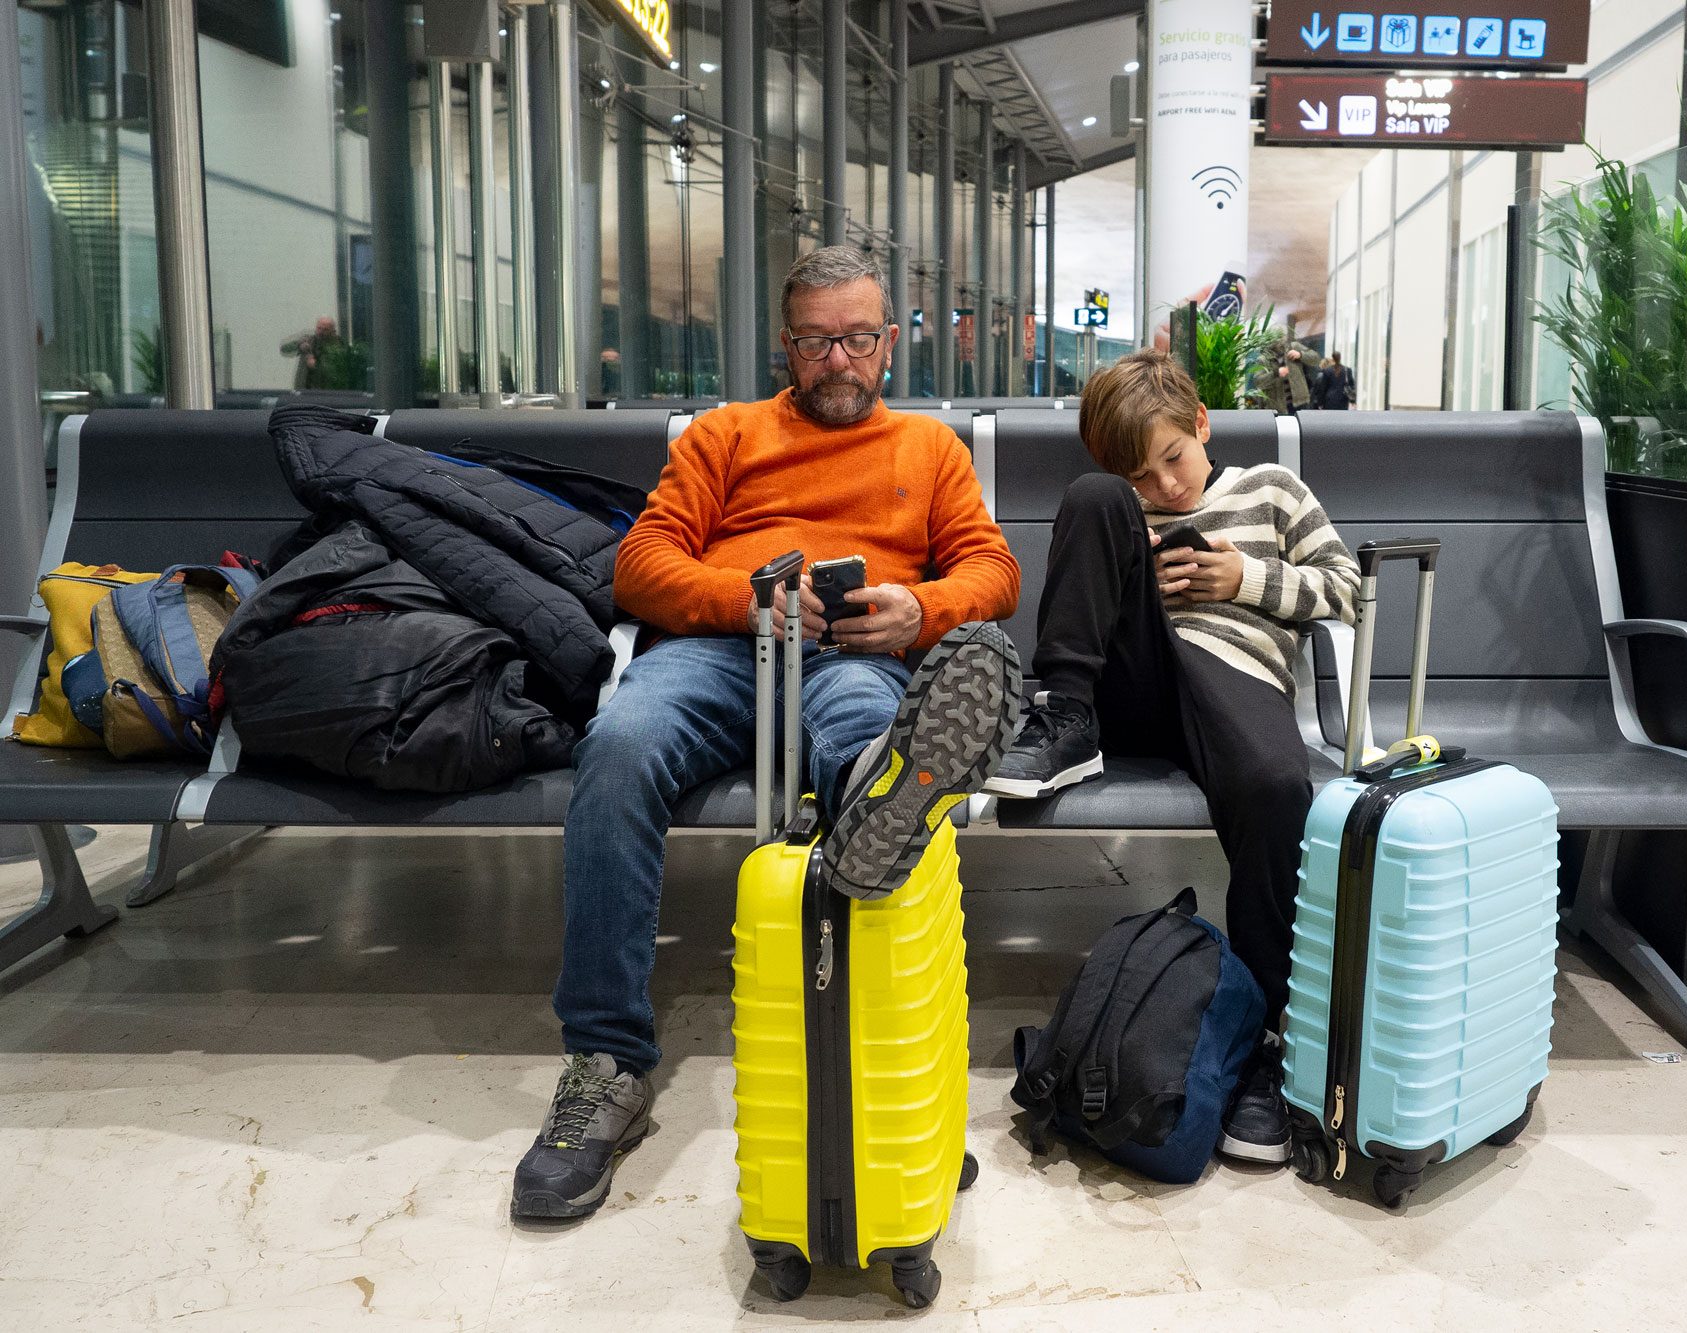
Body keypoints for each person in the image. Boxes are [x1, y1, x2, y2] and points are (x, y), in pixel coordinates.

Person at [513, 246, 1022, 1221]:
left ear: (887, 344)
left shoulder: (929, 452)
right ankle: (605, 1063)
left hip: (855, 656)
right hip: (719, 652)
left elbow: (991, 570)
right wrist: (744, 603)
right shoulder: (724, 436)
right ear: (786, 345)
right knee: (617, 749)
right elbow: (640, 564)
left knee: (876, 763)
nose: (840, 358)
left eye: (858, 338)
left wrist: (918, 610)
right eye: (819, 340)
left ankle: (885, 1070)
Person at [985, 350, 1362, 1166]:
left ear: (1201, 425)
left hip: (1235, 681)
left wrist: (1242, 576)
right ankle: (1066, 716)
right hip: (1137, 684)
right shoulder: (1120, 504)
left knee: (1273, 786)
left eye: (1172, 460)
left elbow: (1349, 587)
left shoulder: (1270, 489)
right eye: (1140, 473)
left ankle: (1264, 1036)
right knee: (1090, 504)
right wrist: (1137, 574)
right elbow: (1112, 540)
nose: (1163, 487)